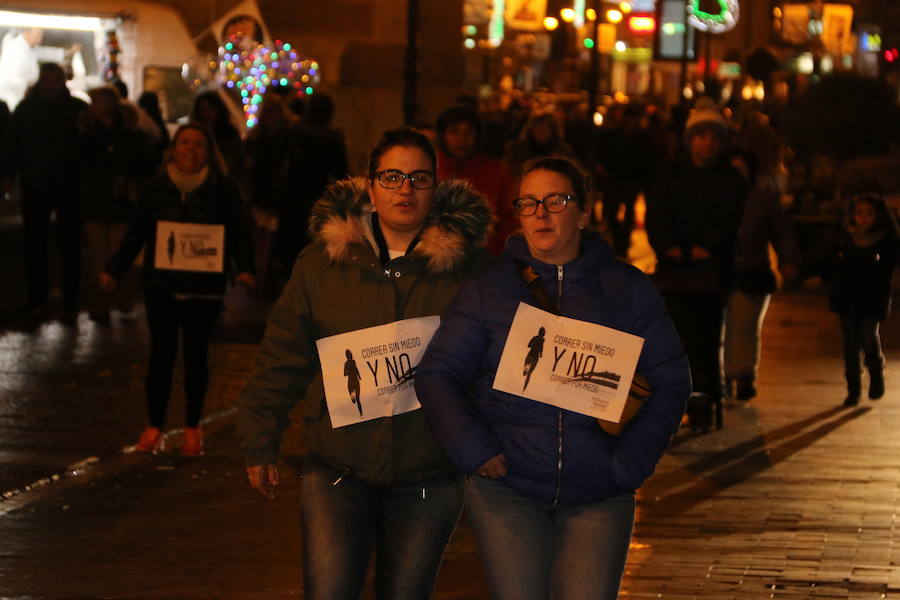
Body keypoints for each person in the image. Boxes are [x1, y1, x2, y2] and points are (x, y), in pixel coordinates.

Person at [415, 156, 690, 600]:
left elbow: (672, 379)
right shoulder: (489, 290)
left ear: (583, 212)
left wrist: (631, 462)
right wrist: (474, 448)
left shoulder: (626, 289)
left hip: (599, 494)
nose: (541, 212)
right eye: (528, 203)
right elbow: (438, 373)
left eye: (556, 200)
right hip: (508, 492)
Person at [238, 128, 491, 599]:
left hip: (427, 471)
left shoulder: (469, 272)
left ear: (435, 189)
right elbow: (281, 356)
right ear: (370, 188)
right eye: (392, 176)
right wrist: (260, 440)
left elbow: (494, 363)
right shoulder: (322, 264)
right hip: (337, 467)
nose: (406, 189)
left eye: (419, 177)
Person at [101, 123, 255, 456]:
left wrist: (244, 269)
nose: (191, 149)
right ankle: (154, 427)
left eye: (198, 144)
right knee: (161, 355)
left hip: (204, 288)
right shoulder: (156, 187)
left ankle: (191, 428)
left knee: (196, 357)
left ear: (208, 152)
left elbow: (240, 232)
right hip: (162, 286)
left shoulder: (224, 190)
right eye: (184, 143)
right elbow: (136, 232)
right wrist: (114, 268)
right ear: (173, 149)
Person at [645, 99, 745, 427]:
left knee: (707, 337)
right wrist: (669, 246)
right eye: (702, 136)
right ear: (691, 138)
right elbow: (658, 213)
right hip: (673, 271)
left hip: (711, 271)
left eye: (715, 137)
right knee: (674, 337)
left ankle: (703, 397)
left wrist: (707, 247)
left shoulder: (729, 177)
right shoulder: (669, 173)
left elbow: (730, 220)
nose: (709, 144)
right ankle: (674, 399)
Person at [1, 62, 88, 322]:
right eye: (46, 80)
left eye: (55, 80)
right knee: (36, 242)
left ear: (63, 82)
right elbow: (12, 143)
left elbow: (88, 145)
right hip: (37, 182)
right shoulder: (28, 110)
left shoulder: (76, 110)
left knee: (68, 242)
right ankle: (38, 298)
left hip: (67, 184)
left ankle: (69, 299)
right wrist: (7, 174)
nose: (50, 86)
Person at [722, 152, 800, 401]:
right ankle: (722, 377)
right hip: (718, 272)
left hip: (752, 272)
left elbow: (782, 231)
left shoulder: (762, 199)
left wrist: (788, 262)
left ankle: (744, 376)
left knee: (745, 327)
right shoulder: (713, 195)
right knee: (721, 329)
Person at [79, 86, 149, 323]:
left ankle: (123, 298)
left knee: (121, 252)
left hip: (121, 203)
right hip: (96, 201)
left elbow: (140, 163)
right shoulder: (87, 133)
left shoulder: (129, 133)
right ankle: (100, 304)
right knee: (98, 255)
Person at [828, 194, 898, 406]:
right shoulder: (845, 238)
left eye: (868, 214)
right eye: (859, 213)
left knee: (868, 336)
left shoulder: (887, 240)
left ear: (878, 216)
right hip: (847, 299)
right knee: (850, 345)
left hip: (872, 300)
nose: (863, 218)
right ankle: (853, 390)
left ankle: (876, 373)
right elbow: (828, 262)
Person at [436, 103, 516, 255]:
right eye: (454, 132)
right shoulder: (430, 170)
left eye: (468, 133)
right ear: (443, 135)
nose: (461, 139)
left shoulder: (496, 171)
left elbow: (509, 218)